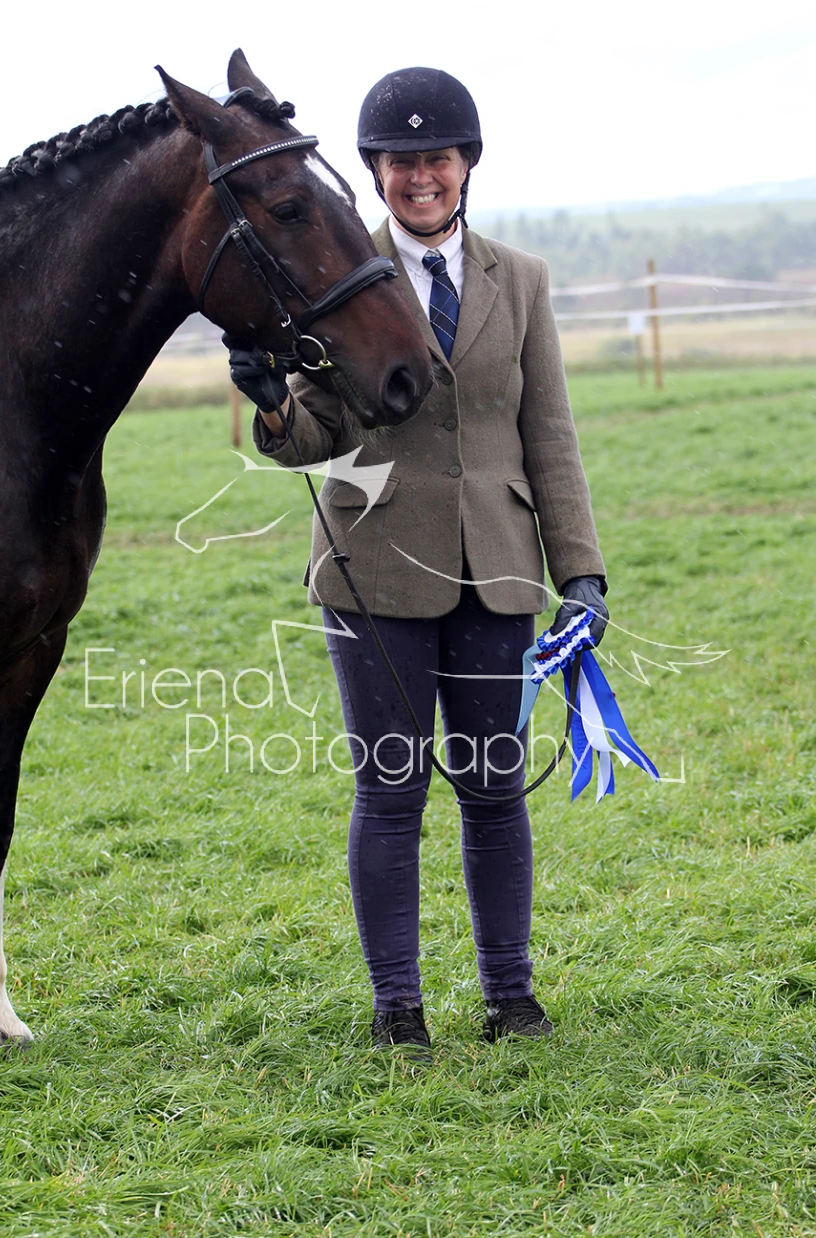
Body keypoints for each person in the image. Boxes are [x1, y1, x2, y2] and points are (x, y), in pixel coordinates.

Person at [227, 67, 608, 1060]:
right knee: (391, 793)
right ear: (376, 173)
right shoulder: (337, 274)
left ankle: (510, 994)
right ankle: (398, 1008)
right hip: (375, 567)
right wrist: (272, 403)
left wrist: (581, 569)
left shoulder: (521, 280)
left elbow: (548, 432)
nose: (420, 177)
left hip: (498, 564)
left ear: (466, 164)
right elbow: (314, 436)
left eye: (436, 157)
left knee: (494, 787)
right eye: (400, 162)